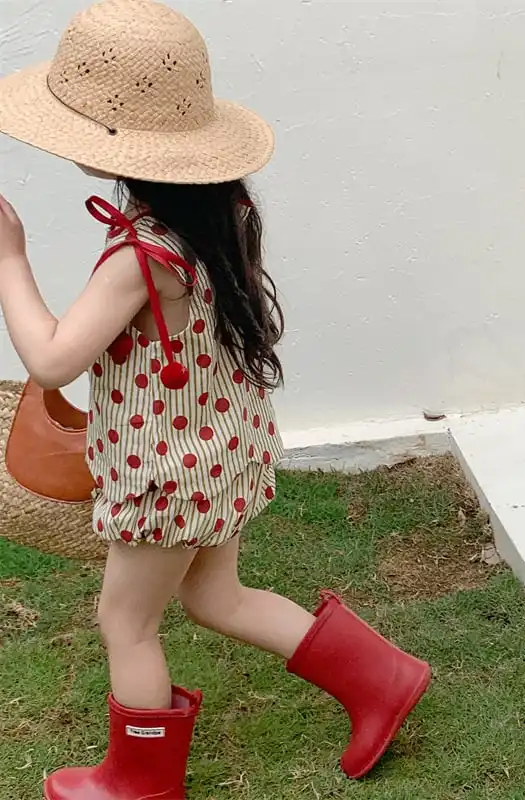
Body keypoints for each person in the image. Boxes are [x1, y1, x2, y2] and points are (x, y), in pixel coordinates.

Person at [0, 1, 431, 798]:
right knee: (216, 596)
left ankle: (138, 785)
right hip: (218, 448)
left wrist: (9, 258)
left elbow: (54, 359)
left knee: (126, 622)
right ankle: (383, 678)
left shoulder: (141, 255)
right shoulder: (224, 212)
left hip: (167, 472)